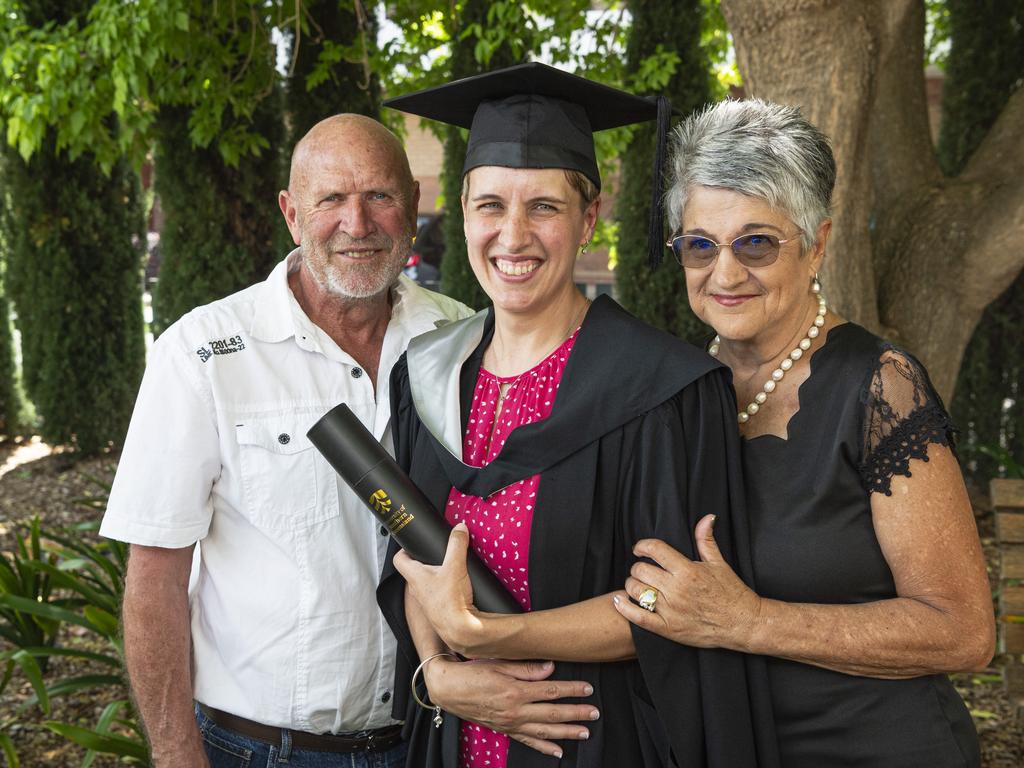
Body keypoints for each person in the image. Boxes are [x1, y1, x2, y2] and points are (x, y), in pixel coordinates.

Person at [377, 63, 780, 768]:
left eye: (544, 207)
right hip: (457, 738)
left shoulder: (663, 390)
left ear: (589, 217)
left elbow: (669, 603)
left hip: (592, 738)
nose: (513, 235)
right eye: (490, 205)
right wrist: (440, 672)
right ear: (462, 213)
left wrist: (493, 636)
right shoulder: (429, 376)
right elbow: (412, 559)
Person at [614, 99, 995, 768]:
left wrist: (750, 621)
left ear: (817, 244)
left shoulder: (878, 384)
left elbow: (962, 632)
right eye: (700, 244)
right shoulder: (677, 391)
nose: (724, 273)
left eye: (756, 242)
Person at [99, 114, 481, 767]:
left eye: (380, 196)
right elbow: (155, 577)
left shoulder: (463, 339)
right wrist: (175, 754)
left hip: (430, 738)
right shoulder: (202, 353)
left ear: (414, 205)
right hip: (256, 750)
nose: (356, 224)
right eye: (330, 199)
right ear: (291, 213)